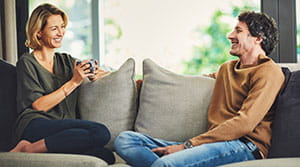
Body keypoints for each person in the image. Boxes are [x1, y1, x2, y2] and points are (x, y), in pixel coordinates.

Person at [114, 11, 285, 167]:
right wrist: (138, 83)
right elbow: (187, 82)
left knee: (165, 164)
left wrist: (187, 146)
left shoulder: (269, 71)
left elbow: (244, 123)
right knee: (126, 140)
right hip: (213, 144)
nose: (230, 35)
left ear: (258, 38)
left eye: (238, 31)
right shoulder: (227, 69)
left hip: (245, 146)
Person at [10, 3, 115, 164]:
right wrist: (74, 81)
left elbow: (100, 73)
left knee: (105, 155)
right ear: (38, 33)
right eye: (54, 29)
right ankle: (27, 148)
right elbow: (39, 106)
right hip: (35, 124)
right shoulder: (27, 62)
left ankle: (44, 149)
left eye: (62, 27)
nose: (61, 33)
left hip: (61, 127)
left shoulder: (65, 60)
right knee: (100, 132)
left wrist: (95, 73)